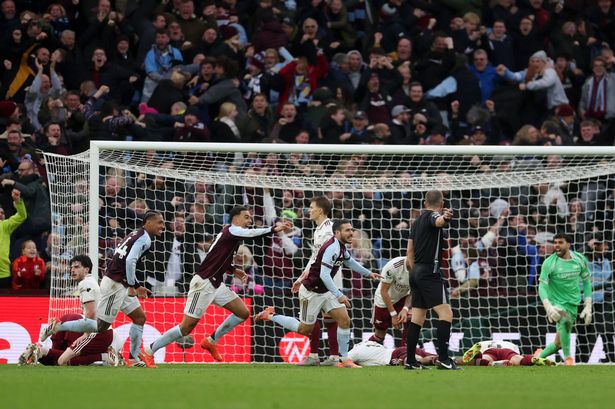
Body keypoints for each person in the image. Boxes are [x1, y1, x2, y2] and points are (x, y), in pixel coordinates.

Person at [140, 206, 293, 366]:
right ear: (235, 218)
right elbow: (251, 234)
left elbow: (216, 257)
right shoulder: (232, 230)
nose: (250, 220)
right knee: (185, 328)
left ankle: (211, 341)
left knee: (242, 312)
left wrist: (233, 270)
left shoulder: (229, 234)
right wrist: (273, 229)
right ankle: (148, 350)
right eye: (246, 217)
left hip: (216, 284)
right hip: (203, 283)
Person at [42, 211, 164, 367]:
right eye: (159, 222)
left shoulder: (135, 234)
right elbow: (130, 261)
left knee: (139, 318)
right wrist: (133, 286)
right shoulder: (144, 239)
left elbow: (122, 258)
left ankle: (134, 359)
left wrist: (133, 284)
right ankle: (59, 327)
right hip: (116, 284)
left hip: (118, 282)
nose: (162, 226)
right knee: (100, 327)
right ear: (148, 223)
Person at [255, 219, 381, 368]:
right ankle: (270, 315)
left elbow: (349, 261)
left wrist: (368, 273)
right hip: (311, 292)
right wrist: (339, 295)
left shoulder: (340, 246)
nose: (351, 233)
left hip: (325, 291)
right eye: (347, 230)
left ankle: (345, 359)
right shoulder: (331, 248)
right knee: (304, 329)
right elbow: (324, 275)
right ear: (337, 232)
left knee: (344, 320)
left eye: (352, 230)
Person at [22, 255, 124, 366]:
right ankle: (43, 348)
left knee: (62, 361)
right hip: (101, 332)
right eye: (71, 268)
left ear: (87, 269)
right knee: (63, 360)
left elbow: (91, 312)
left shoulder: (86, 283)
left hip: (97, 333)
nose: (72, 270)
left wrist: (85, 335)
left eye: (76, 267)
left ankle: (104, 356)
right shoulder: (90, 281)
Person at [405, 190, 459, 370]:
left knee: (418, 318)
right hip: (429, 271)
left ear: (424, 203)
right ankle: (444, 359)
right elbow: (439, 221)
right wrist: (446, 218)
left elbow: (409, 251)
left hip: (415, 272)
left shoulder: (416, 222)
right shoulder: (433, 215)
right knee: (446, 314)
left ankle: (411, 361)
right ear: (441, 204)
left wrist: (414, 272)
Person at [291, 196, 340, 366]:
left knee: (327, 315)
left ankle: (328, 356)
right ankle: (323, 355)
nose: (309, 210)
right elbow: (314, 257)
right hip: (321, 276)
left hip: (326, 277)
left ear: (320, 210)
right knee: (322, 314)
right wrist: (301, 277)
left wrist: (308, 277)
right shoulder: (319, 229)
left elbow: (327, 258)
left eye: (311, 207)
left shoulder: (328, 230)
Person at [535, 233, 592, 366]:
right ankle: (568, 359)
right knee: (565, 321)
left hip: (573, 304)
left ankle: (537, 357)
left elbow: (587, 281)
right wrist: (548, 306)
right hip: (556, 304)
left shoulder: (579, 259)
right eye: (555, 243)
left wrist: (588, 305)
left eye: (560, 242)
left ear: (568, 244)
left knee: (558, 343)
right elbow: (542, 286)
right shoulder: (549, 263)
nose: (557, 245)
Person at [19, 313, 123, 367]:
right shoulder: (113, 343)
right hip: (84, 328)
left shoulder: (114, 340)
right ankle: (41, 350)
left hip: (70, 318)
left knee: (57, 360)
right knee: (64, 361)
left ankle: (39, 351)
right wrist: (102, 357)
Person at [369, 256, 410, 345]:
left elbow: (414, 291)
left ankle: (406, 350)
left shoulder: (421, 269)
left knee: (411, 317)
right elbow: (383, 291)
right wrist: (393, 314)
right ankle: (363, 350)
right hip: (383, 301)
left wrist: (405, 308)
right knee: (379, 337)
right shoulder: (393, 266)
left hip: (402, 298)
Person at [0, 189, 26, 288]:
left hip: (3, 274)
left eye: (2, 213)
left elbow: (22, 216)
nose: (0, 214)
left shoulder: (5, 225)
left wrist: (18, 201)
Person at [461, 340, 554, 366]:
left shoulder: (485, 343)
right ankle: (533, 359)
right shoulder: (511, 345)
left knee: (481, 360)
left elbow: (460, 361)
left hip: (489, 350)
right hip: (507, 350)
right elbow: (518, 355)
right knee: (519, 360)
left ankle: (478, 354)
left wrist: (457, 361)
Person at [348, 340, 437, 367]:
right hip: (398, 350)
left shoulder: (354, 352)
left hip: (394, 357)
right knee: (435, 357)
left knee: (415, 360)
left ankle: (427, 361)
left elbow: (343, 361)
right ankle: (441, 360)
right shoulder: (366, 342)